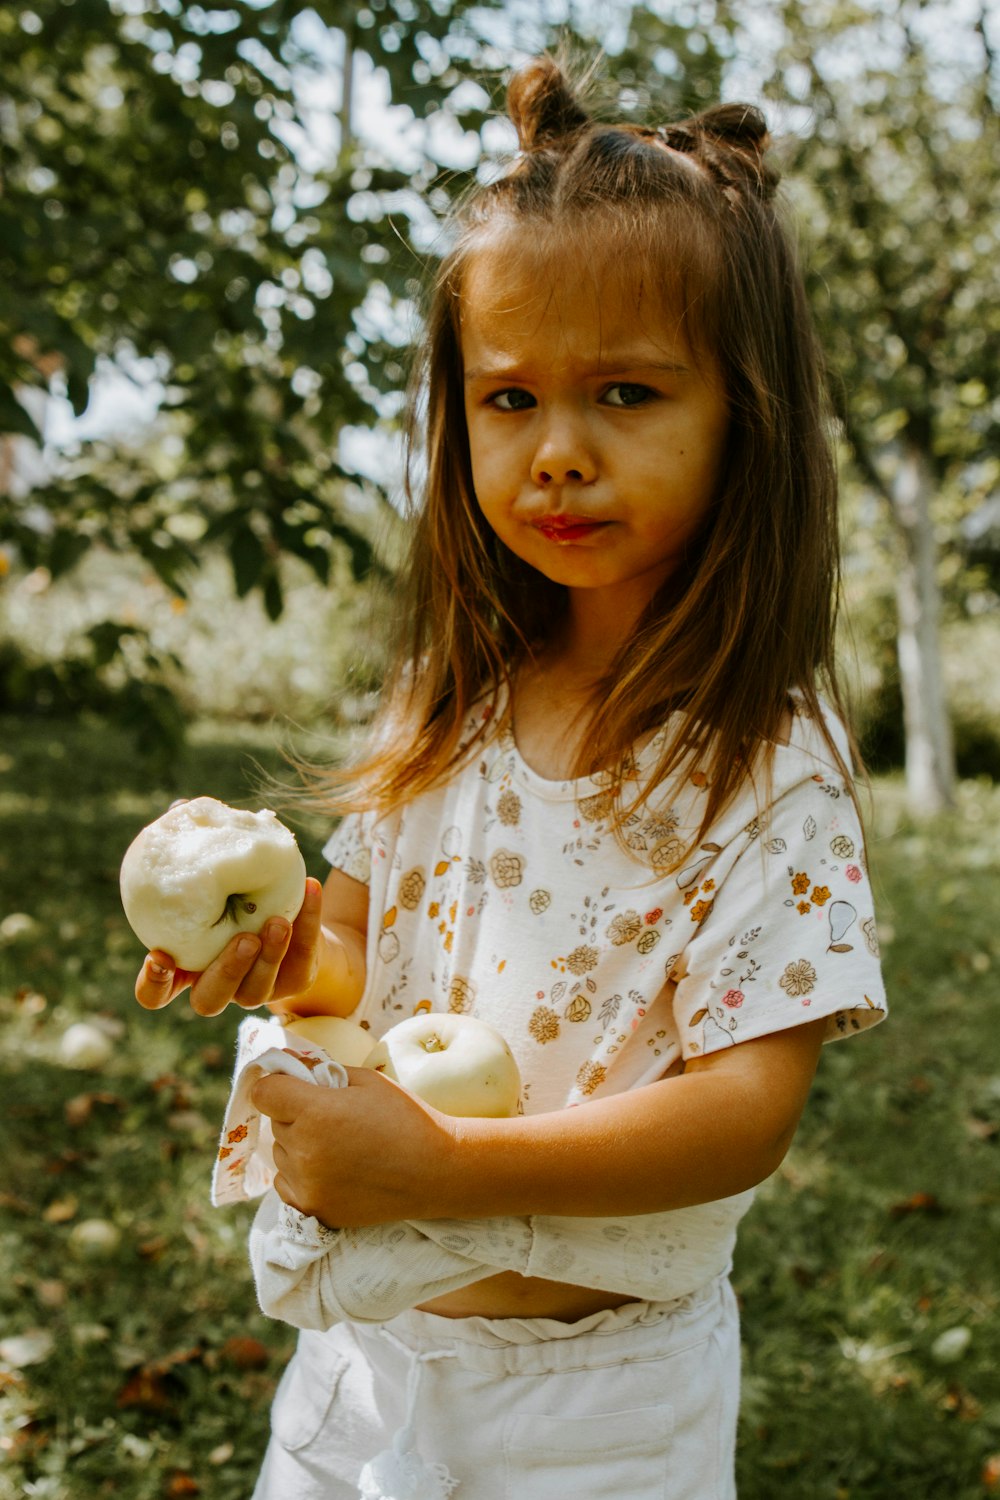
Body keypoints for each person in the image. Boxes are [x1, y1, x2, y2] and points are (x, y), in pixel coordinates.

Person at [135, 54, 888, 1500]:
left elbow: (746, 1104)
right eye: (508, 399)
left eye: (624, 393)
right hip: (371, 1366)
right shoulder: (446, 702)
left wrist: (451, 1174)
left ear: (747, 416)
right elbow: (362, 942)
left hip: (601, 1410)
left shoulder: (760, 763)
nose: (557, 454)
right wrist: (282, 957)